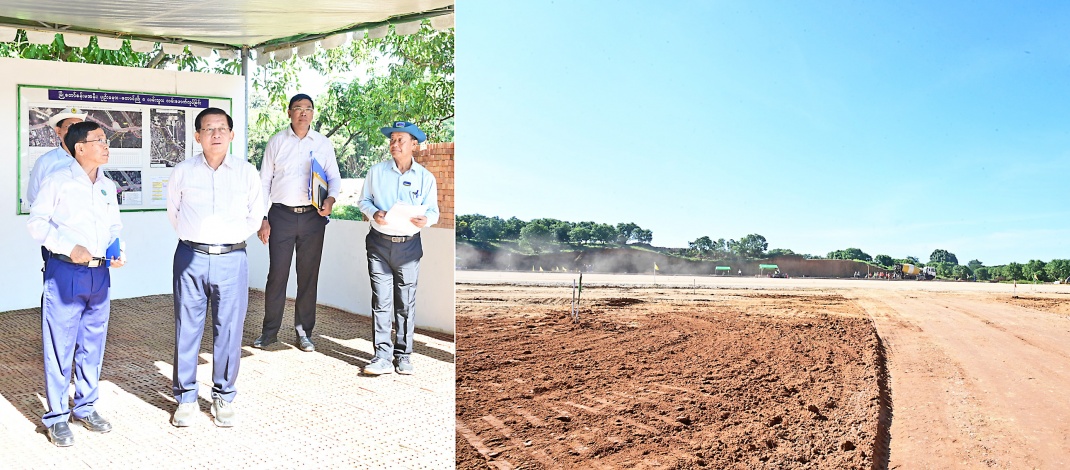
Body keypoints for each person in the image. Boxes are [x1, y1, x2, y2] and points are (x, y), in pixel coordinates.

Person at [27, 121, 125, 447]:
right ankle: (57, 417)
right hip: (66, 272)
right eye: (100, 140)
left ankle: (85, 407)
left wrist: (117, 249)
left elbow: (114, 227)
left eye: (106, 140)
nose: (106, 145)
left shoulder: (107, 185)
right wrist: (69, 247)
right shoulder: (58, 181)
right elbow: (36, 224)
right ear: (80, 147)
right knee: (60, 347)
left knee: (93, 344)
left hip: (100, 274)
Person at [167, 108, 265, 427]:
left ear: (232, 134)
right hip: (190, 257)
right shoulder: (183, 171)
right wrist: (197, 238)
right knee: (187, 328)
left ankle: (223, 396)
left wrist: (228, 239)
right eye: (209, 129)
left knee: (230, 329)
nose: (216, 134)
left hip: (232, 258)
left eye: (222, 128)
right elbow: (174, 212)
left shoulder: (246, 172)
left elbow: (255, 216)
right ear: (198, 136)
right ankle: (186, 398)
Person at [254, 94, 341, 352]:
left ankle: (304, 333)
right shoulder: (277, 142)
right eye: (298, 108)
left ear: (313, 113)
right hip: (281, 216)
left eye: (308, 109)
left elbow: (334, 178)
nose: (303, 113)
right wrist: (263, 218)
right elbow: (263, 182)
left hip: (313, 217)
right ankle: (269, 332)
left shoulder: (323, 143)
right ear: (289, 112)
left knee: (308, 277)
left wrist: (331, 200)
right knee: (277, 276)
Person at [358, 121, 439, 375]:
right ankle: (382, 356)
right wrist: (374, 213)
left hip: (409, 247)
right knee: (381, 301)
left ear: (413, 144)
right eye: (392, 140)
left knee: (405, 303)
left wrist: (426, 220)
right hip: (379, 245)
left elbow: (434, 212)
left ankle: (403, 356)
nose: (394, 144)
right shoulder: (376, 172)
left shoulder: (426, 178)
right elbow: (363, 201)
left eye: (400, 140)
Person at [26, 107, 88, 207]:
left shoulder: (92, 159)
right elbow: (34, 197)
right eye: (71, 126)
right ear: (58, 131)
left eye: (80, 127)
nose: (77, 131)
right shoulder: (45, 162)